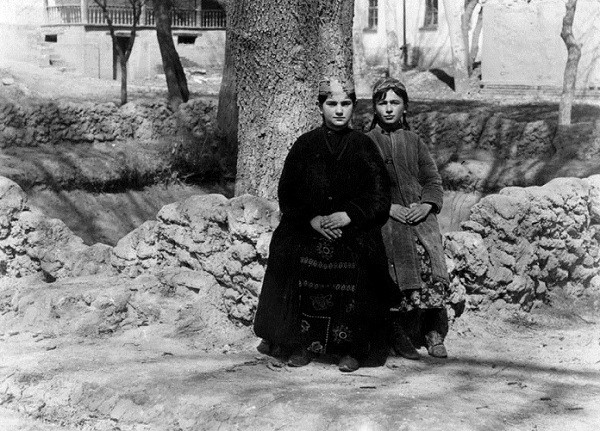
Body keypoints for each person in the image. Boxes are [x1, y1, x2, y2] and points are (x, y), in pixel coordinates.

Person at [253, 77, 392, 373]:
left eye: (345, 104)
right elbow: (287, 193)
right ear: (320, 107)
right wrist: (311, 219)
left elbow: (380, 196)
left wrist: (350, 215)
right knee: (290, 253)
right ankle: (298, 344)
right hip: (309, 225)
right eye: (332, 104)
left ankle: (352, 349)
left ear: (353, 106)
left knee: (362, 261)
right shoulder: (305, 145)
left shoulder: (364, 147)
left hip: (352, 227)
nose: (339, 110)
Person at [366, 77, 451, 360]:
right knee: (394, 261)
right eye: (383, 103)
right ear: (375, 108)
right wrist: (388, 208)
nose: (389, 109)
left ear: (404, 107)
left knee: (429, 258)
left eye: (395, 102)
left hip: (420, 217)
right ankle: (397, 333)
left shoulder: (415, 141)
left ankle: (432, 330)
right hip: (385, 218)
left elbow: (433, 181)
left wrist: (426, 205)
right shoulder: (366, 142)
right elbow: (360, 186)